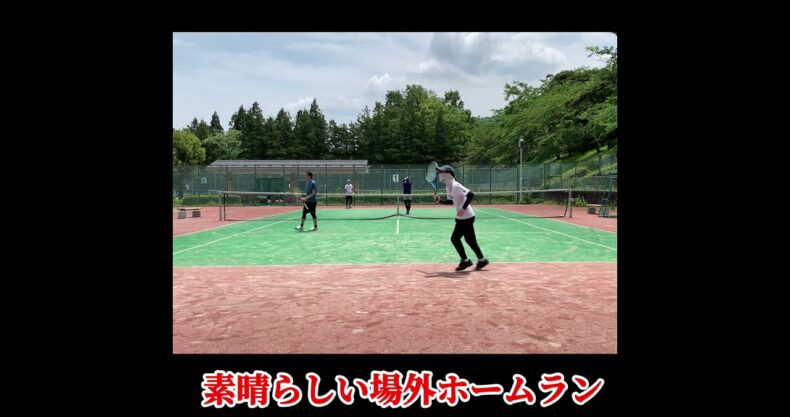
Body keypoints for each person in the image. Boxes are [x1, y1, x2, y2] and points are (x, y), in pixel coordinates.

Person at [433, 165, 489, 271]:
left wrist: (463, 209)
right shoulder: (448, 187)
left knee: (455, 239)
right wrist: (440, 201)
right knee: (470, 240)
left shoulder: (456, 186)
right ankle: (481, 260)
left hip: (466, 217)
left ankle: (466, 261)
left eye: (441, 172)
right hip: (465, 218)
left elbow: (471, 194)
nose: (439, 174)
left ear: (448, 175)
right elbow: (451, 201)